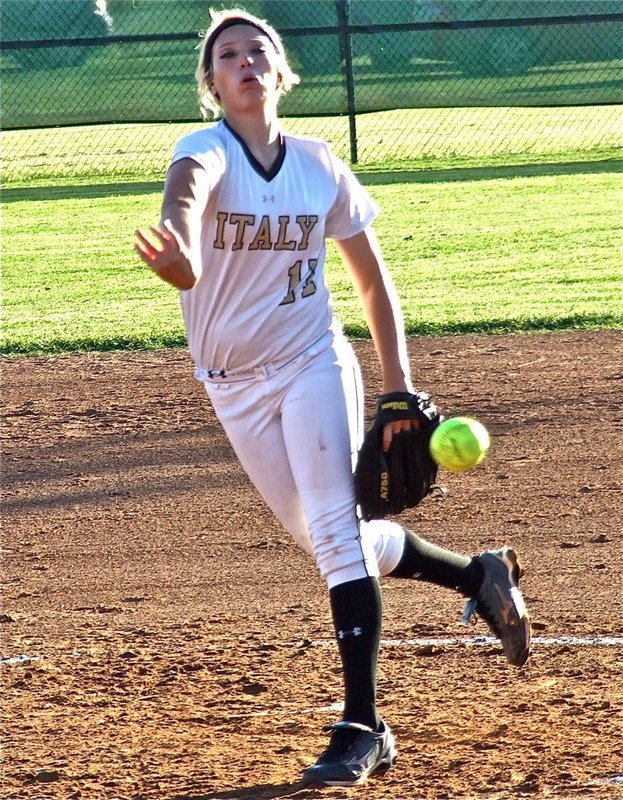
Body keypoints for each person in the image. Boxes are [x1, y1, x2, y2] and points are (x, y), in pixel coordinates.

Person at [134, 8, 531, 788]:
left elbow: (373, 285)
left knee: (332, 530)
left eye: (260, 50)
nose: (245, 61)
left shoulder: (320, 165)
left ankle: (363, 726)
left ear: (281, 74)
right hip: (232, 384)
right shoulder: (203, 149)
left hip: (313, 360)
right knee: (328, 539)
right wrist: (178, 251)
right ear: (211, 85)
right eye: (227, 55)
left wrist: (397, 392)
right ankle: (475, 574)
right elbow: (186, 197)